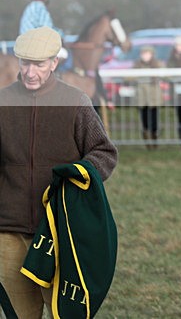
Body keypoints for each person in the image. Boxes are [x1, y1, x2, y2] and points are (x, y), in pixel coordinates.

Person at [0, 27, 118, 318]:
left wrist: (79, 176)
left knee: (63, 314)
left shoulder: (75, 102)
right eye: (24, 63)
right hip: (8, 228)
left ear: (54, 62)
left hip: (60, 230)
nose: (29, 71)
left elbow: (104, 152)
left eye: (38, 64)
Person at [134, 45, 163, 149]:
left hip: (153, 97)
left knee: (154, 119)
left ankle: (155, 141)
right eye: (143, 54)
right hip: (142, 97)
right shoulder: (136, 65)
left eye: (147, 53)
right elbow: (128, 77)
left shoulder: (157, 64)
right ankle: (147, 142)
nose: (145, 56)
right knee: (144, 120)